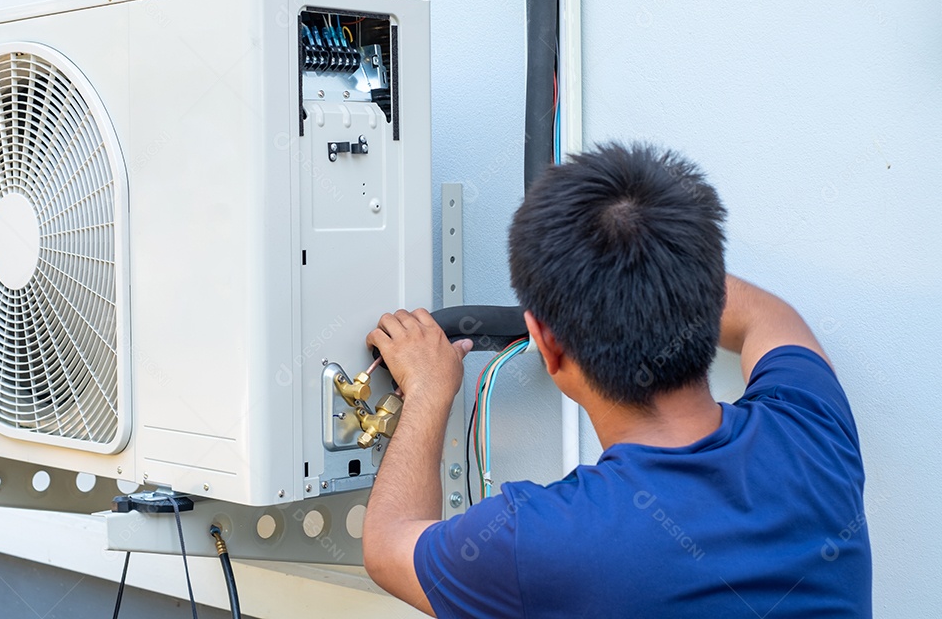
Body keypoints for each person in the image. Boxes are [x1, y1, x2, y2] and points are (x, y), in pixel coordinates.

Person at [362, 143, 871, 618]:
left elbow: (387, 546)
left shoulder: (539, 542)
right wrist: (672, 267)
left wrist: (429, 390)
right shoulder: (812, 433)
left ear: (547, 342)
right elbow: (770, 319)